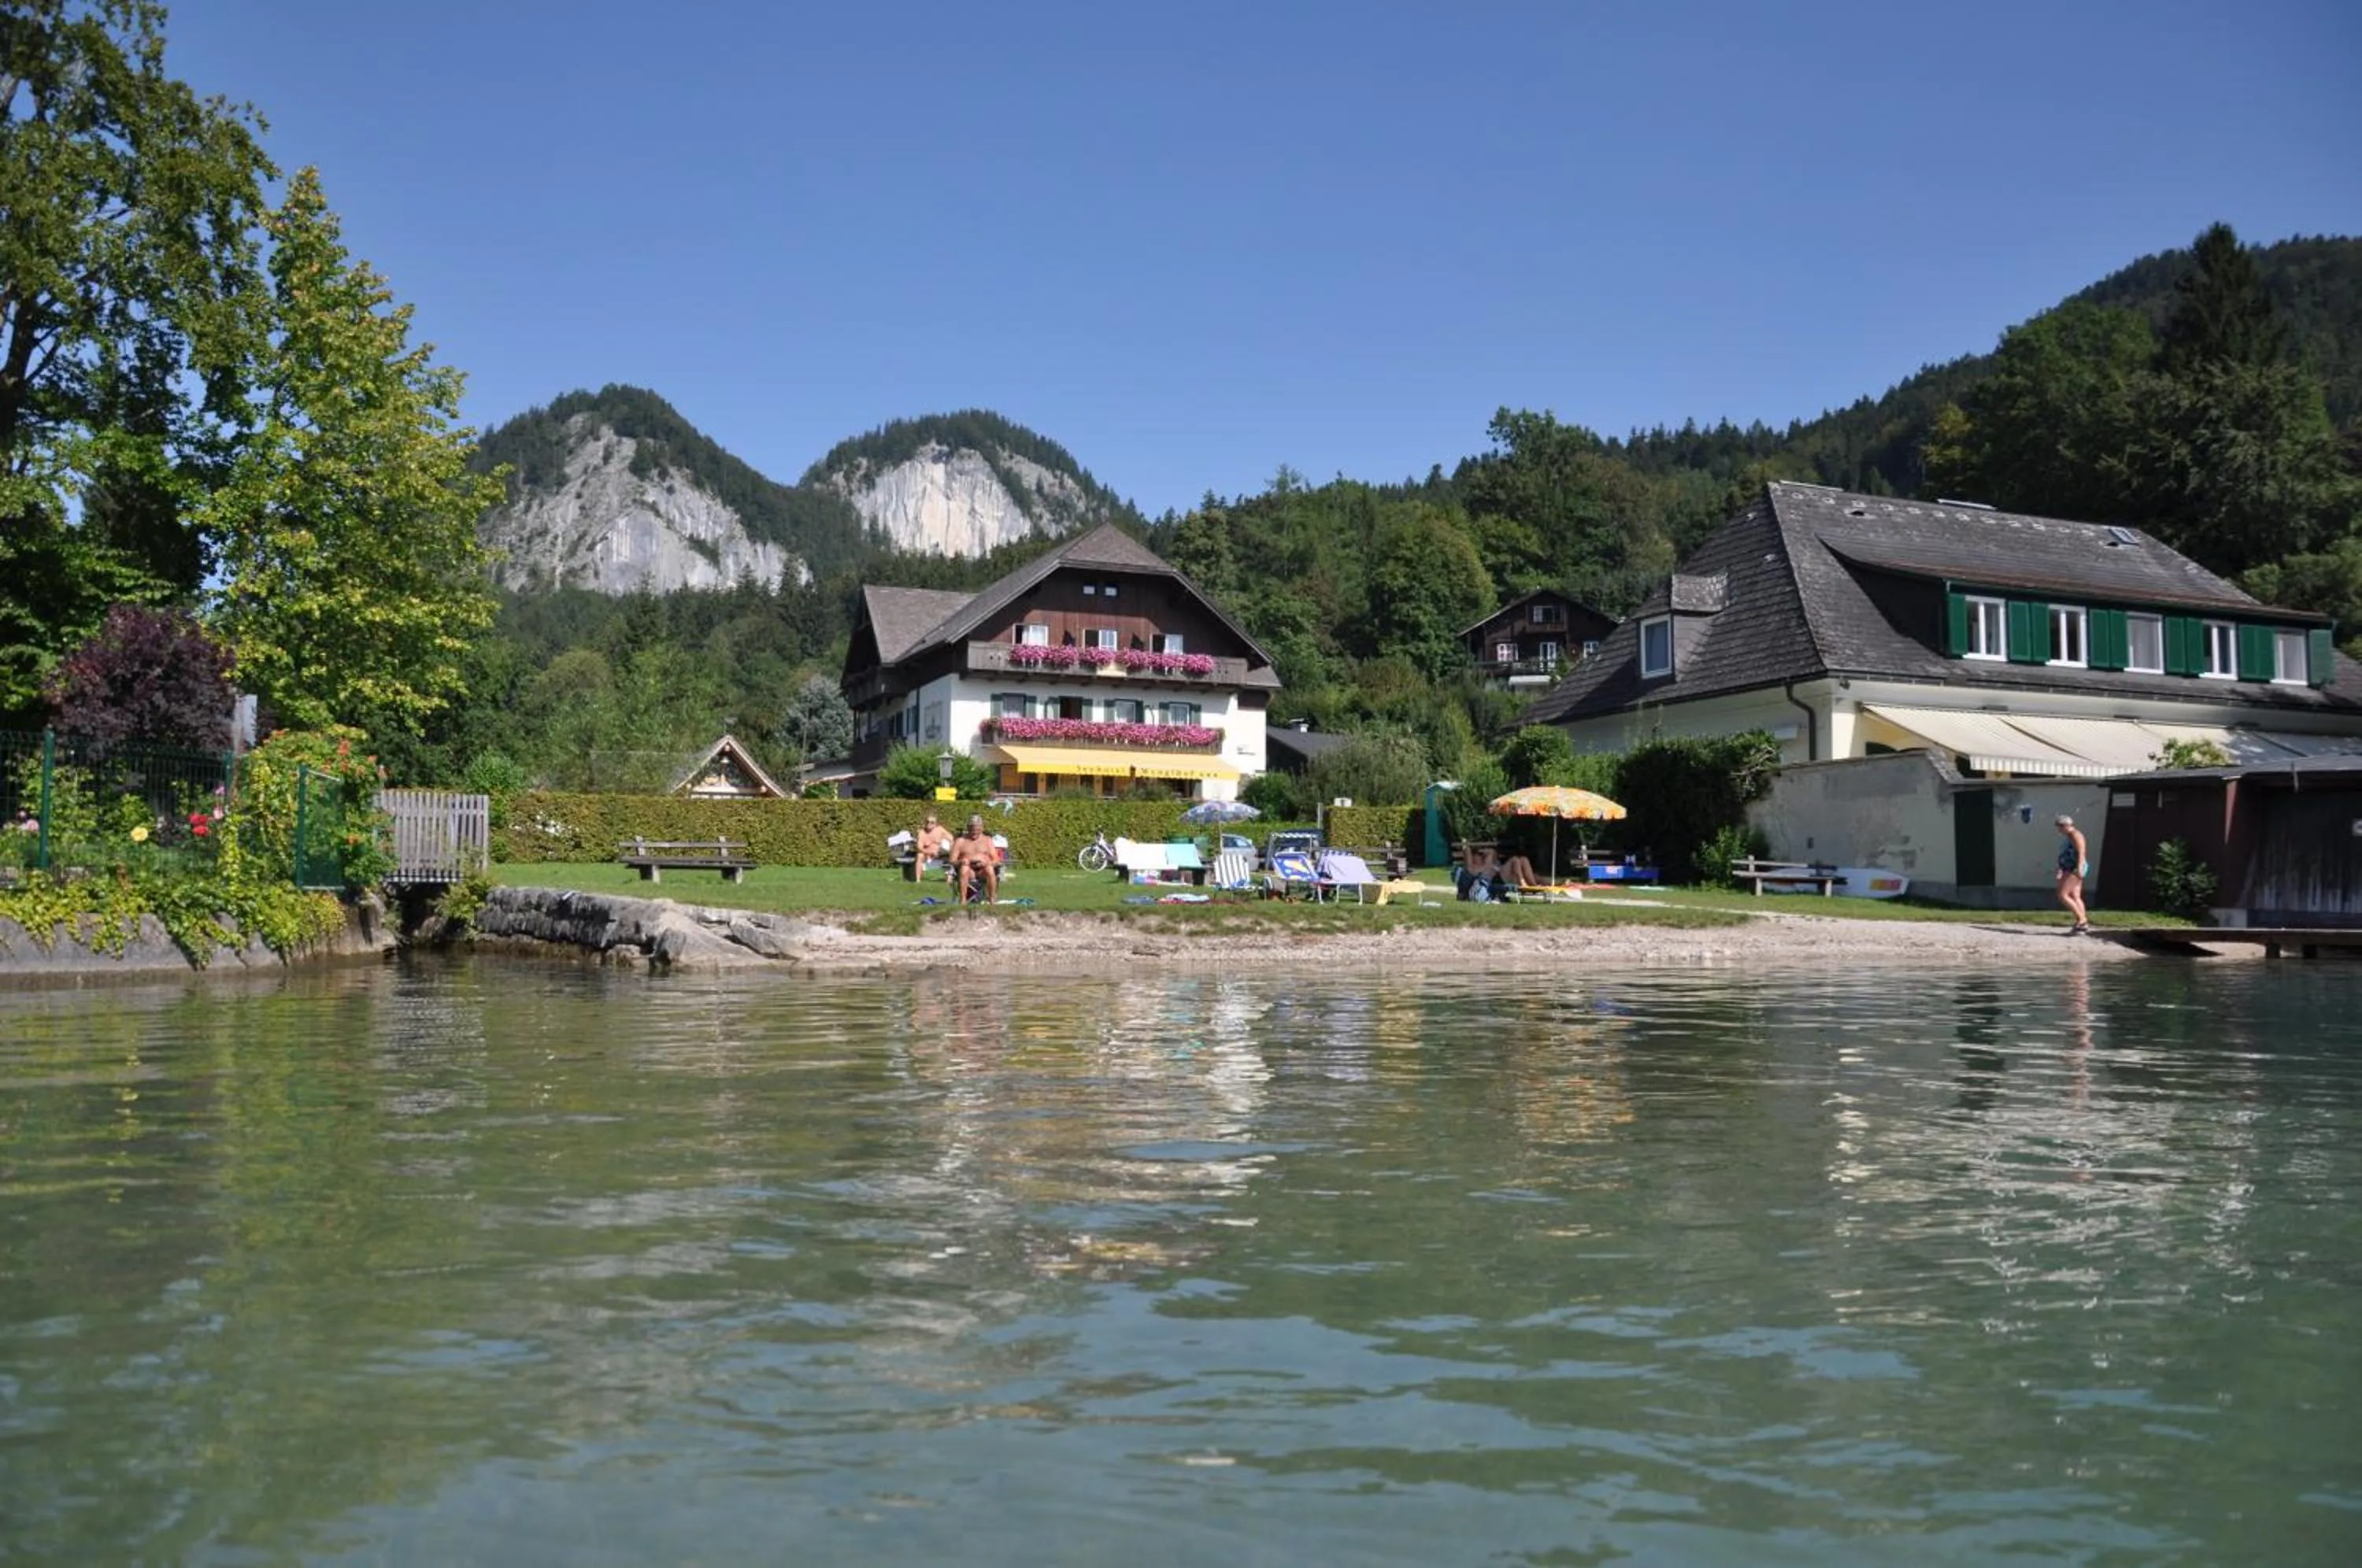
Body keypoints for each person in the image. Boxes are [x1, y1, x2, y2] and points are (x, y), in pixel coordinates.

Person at [950, 814, 1000, 904]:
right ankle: (963, 899)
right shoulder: (960, 841)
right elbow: (952, 861)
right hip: (969, 871)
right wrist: (962, 861)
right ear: (968, 828)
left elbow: (996, 860)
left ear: (982, 829)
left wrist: (988, 863)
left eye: (977, 830)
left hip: (983, 871)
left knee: (989, 869)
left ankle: (992, 898)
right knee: (964, 869)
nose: (975, 832)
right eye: (972, 830)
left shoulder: (987, 840)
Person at [2054, 813, 2090, 934]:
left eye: (2059, 827)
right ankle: (2082, 923)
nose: (2058, 830)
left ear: (2065, 825)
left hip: (2074, 868)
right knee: (2075, 896)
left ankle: (2082, 920)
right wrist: (2061, 868)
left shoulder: (2075, 835)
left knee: (2062, 894)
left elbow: (2081, 852)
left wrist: (2079, 868)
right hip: (2069, 867)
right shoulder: (2070, 836)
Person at [913, 812, 954, 880]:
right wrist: (929, 852)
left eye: (932, 822)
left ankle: (949, 881)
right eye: (927, 822)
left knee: (950, 855)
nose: (929, 823)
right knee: (919, 855)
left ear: (936, 824)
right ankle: (918, 880)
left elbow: (951, 838)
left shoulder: (940, 830)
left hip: (940, 855)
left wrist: (947, 848)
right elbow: (919, 848)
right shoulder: (922, 833)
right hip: (927, 856)